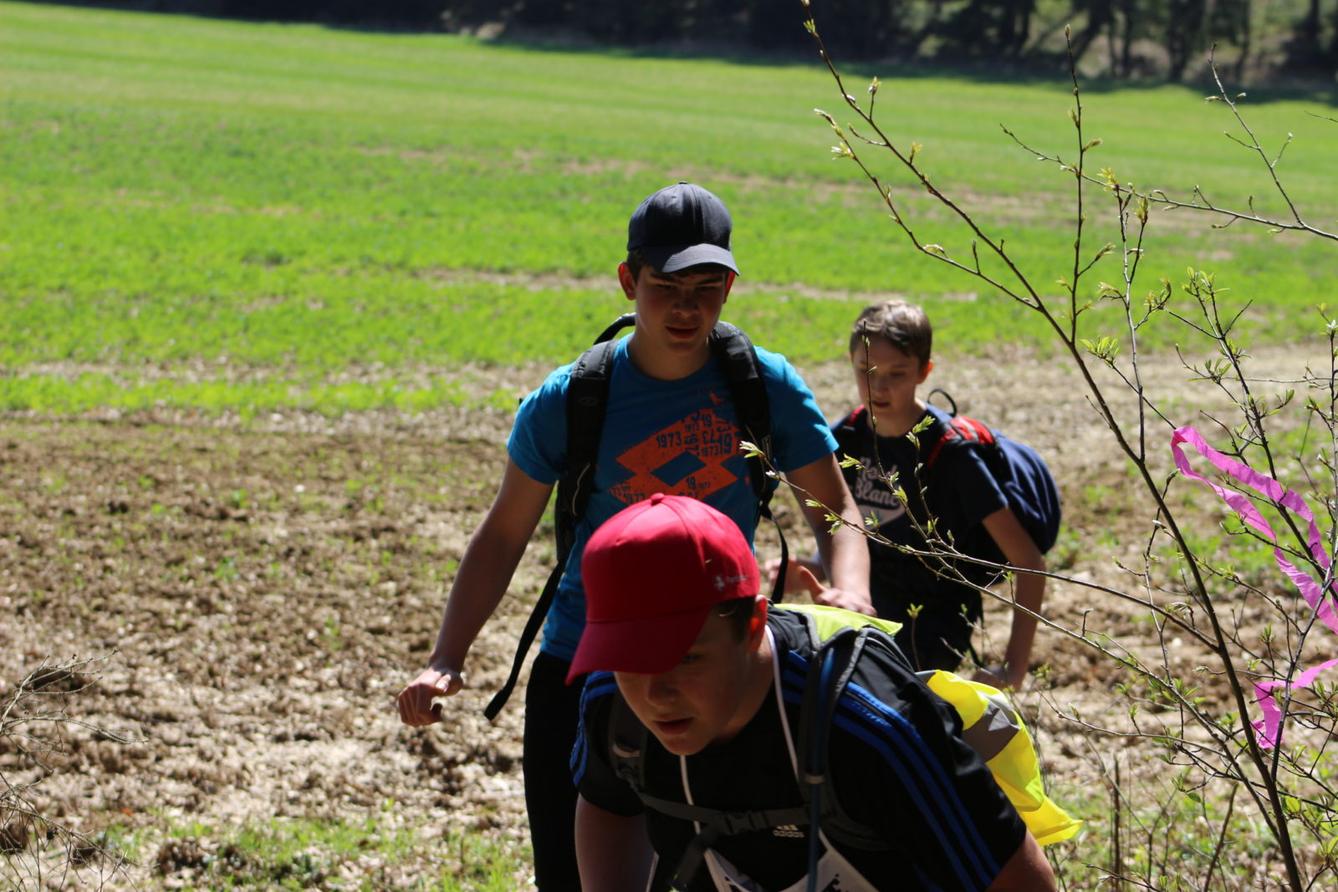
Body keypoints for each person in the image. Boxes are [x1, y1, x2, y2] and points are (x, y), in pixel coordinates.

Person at [397, 182, 873, 889]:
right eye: (666, 286)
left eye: (707, 288)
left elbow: (835, 510)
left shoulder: (761, 386)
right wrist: (447, 656)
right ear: (628, 280)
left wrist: (852, 593)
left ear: (731, 287)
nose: (687, 308)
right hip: (585, 669)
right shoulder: (571, 400)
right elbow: (502, 536)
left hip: (718, 671)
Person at [570, 493, 1058, 891]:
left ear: (754, 625)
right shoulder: (612, 706)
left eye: (687, 658)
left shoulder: (867, 724)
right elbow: (608, 804)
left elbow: (1018, 880)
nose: (655, 694)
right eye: (629, 660)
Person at [769, 300, 1047, 690]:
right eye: (866, 372)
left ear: (924, 371)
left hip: (934, 624)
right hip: (868, 608)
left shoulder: (951, 454)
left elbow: (1029, 562)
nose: (879, 387)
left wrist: (1013, 668)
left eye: (896, 374)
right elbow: (849, 524)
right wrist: (813, 569)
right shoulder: (845, 437)